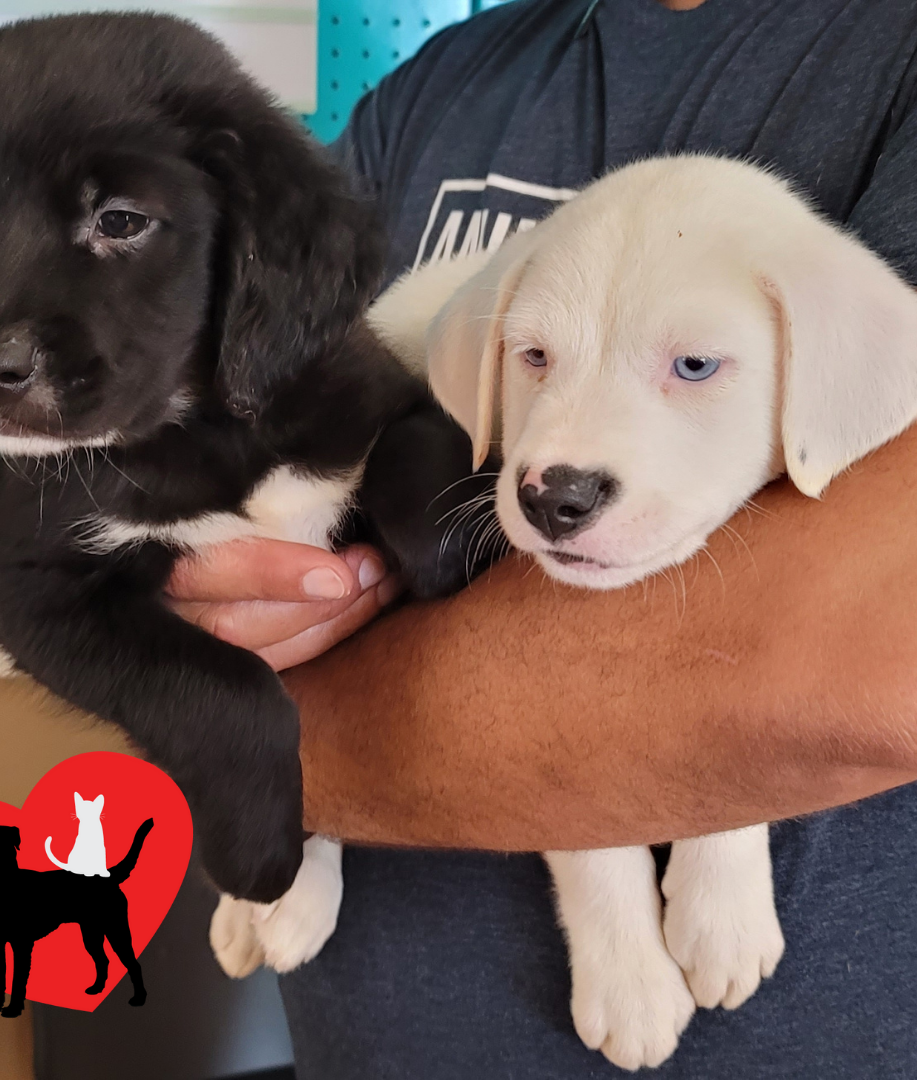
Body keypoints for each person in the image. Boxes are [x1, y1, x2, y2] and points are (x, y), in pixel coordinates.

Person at [167, 0, 917, 1075]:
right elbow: (230, 520)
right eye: (533, 360)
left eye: (694, 367)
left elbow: (867, 652)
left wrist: (267, 759)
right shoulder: (434, 90)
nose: (561, 465)